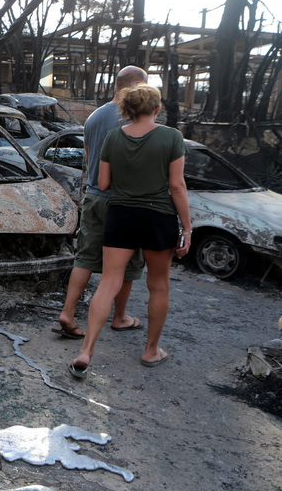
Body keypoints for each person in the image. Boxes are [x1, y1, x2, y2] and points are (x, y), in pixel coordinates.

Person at [69, 84, 192, 378]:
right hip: (158, 216)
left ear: (127, 110)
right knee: (158, 284)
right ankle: (151, 351)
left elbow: (104, 182)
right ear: (156, 109)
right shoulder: (172, 136)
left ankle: (85, 351)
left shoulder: (113, 136)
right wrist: (187, 227)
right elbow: (176, 186)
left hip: (120, 214)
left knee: (109, 281)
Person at [54, 66, 148, 340]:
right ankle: (119, 317)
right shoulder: (131, 117)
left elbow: (87, 158)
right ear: (137, 85)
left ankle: (67, 313)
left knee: (85, 257)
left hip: (94, 197)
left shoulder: (94, 117)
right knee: (127, 263)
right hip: (123, 201)